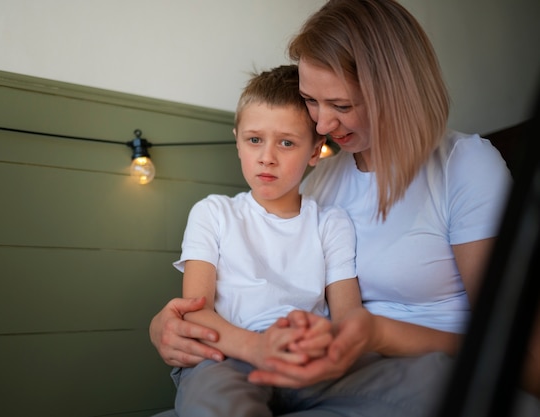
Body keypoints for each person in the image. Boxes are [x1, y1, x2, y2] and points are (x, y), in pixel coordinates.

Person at [150, 0, 540, 415]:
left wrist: (377, 333)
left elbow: (520, 353)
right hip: (325, 362)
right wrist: (167, 327)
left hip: (407, 373)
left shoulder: (464, 166)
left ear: (397, 93)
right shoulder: (321, 182)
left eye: (342, 106)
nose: (321, 126)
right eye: (310, 101)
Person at [171, 64, 363, 416]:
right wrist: (258, 348)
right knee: (214, 402)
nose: (267, 157)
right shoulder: (212, 213)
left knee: (406, 384)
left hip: (307, 358)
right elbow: (196, 314)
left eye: (287, 143)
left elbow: (349, 317)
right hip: (228, 357)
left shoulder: (330, 223)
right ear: (238, 141)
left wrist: (316, 346)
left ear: (315, 150)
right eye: (254, 139)